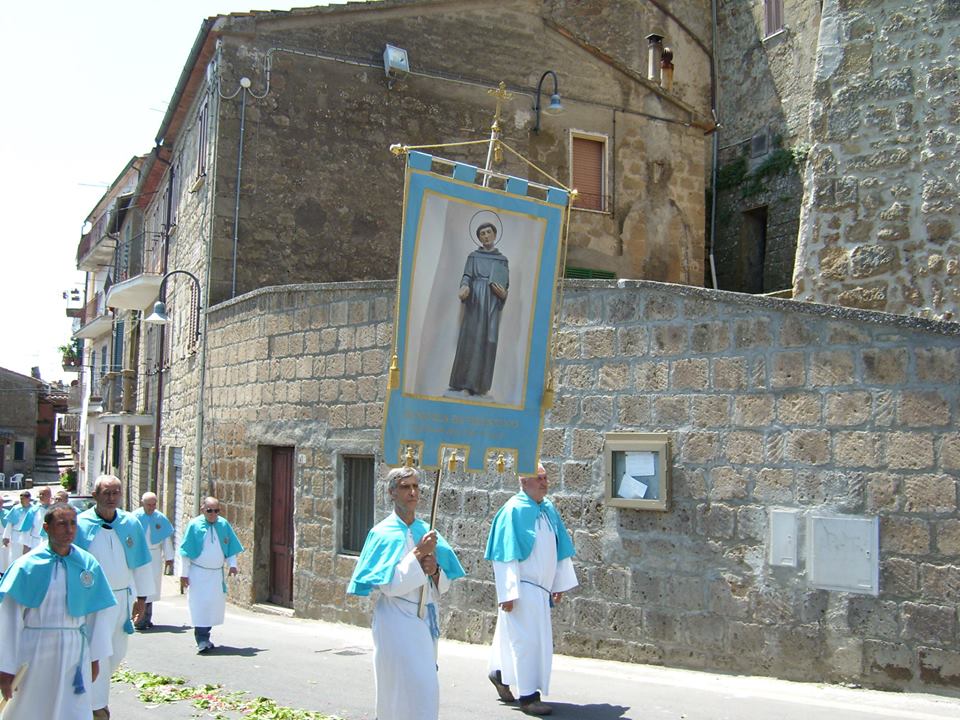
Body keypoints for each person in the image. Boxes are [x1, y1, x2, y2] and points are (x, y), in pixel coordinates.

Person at [347, 466, 465, 720]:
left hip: (424, 621)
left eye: (415, 487)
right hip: (396, 619)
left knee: (425, 687)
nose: (412, 493)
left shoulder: (427, 531)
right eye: (405, 487)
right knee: (399, 688)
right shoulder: (382, 533)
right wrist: (418, 554)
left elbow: (442, 587)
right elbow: (389, 587)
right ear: (392, 492)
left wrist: (434, 571)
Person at [0, 502, 116, 719]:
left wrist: (95, 658)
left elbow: (96, 616)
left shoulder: (87, 564)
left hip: (75, 652)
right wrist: (5, 667)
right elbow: (9, 620)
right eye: (62, 524)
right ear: (46, 528)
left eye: (73, 523)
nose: (69, 530)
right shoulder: (27, 565)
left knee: (72, 710)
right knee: (31, 708)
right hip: (35, 652)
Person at [485, 464, 578, 716]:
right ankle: (528, 698)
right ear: (524, 482)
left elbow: (559, 548)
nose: (545, 483)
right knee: (527, 643)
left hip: (540, 589)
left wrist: (558, 584)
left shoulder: (547, 509)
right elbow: (504, 554)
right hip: (523, 588)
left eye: (546, 478)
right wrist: (508, 592)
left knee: (520, 640)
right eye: (539, 479)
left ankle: (500, 674)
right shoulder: (513, 510)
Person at [75, 474, 154, 720]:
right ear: (95, 495)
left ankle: (94, 701)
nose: (111, 498)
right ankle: (98, 709)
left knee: (117, 653)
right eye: (106, 493)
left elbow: (141, 563)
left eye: (116, 492)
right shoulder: (79, 524)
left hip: (121, 599)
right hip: (92, 602)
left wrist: (142, 597)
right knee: (96, 654)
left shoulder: (130, 523)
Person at [448, 221, 509, 397]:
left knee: (489, 341)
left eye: (489, 232)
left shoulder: (502, 260)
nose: (486, 236)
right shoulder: (473, 257)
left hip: (492, 303)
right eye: (482, 234)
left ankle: (481, 386)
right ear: (479, 238)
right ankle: (466, 384)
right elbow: (466, 276)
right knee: (472, 341)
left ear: (495, 234)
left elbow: (506, 285)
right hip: (475, 301)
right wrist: (464, 288)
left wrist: (503, 295)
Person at [179, 496, 243, 653]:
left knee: (212, 607)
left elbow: (230, 547)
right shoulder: (194, 526)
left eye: (216, 511)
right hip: (198, 574)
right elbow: (186, 552)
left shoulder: (223, 524)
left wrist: (232, 565)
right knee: (200, 606)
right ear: (203, 510)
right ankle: (201, 639)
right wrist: (184, 574)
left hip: (215, 575)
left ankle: (206, 636)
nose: (213, 514)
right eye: (210, 511)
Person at [133, 492, 174, 630]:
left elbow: (166, 539)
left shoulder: (160, 518)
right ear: (142, 503)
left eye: (153, 504)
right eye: (148, 505)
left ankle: (146, 618)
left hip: (155, 556)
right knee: (140, 586)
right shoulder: (134, 517)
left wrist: (169, 558)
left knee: (152, 587)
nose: (151, 507)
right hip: (139, 557)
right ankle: (139, 619)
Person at [2, 491, 38, 562]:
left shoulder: (34, 509)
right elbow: (10, 523)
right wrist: (6, 537)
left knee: (27, 557)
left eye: (23, 499)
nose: (21, 501)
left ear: (28, 499)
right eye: (20, 499)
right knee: (14, 556)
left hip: (28, 536)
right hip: (16, 535)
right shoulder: (16, 508)